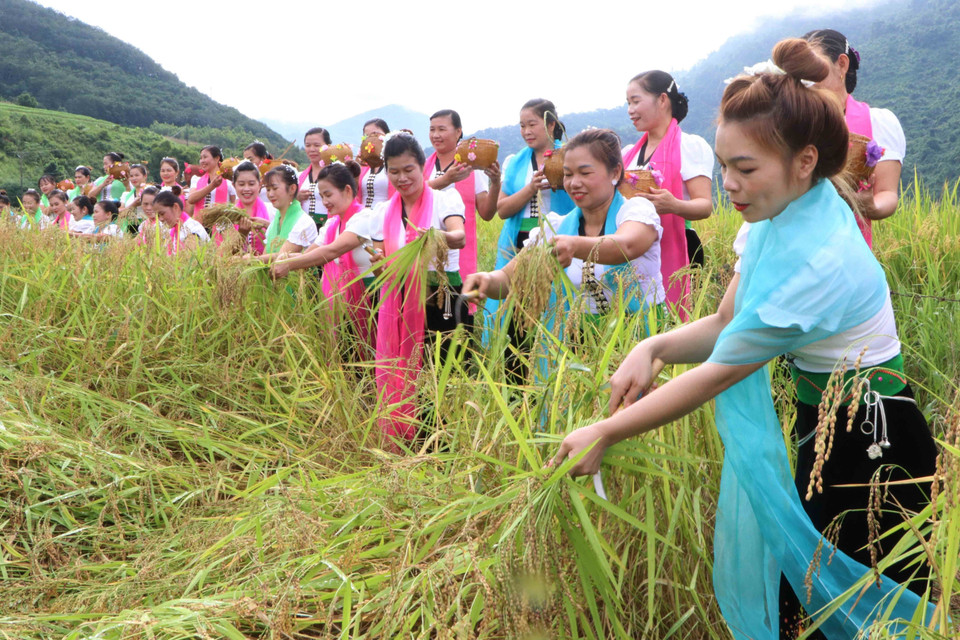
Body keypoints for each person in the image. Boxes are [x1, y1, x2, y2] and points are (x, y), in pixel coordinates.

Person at [549, 39, 937, 639]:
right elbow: (725, 324)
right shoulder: (776, 218)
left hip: (873, 441)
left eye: (746, 169)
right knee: (814, 599)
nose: (728, 184)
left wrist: (605, 429)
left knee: (860, 607)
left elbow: (723, 368)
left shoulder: (818, 259)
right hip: (824, 421)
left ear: (805, 160)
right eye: (726, 166)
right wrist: (652, 347)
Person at [465, 128, 664, 345]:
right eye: (568, 174)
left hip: (640, 340)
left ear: (615, 173)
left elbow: (627, 246)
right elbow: (509, 278)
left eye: (585, 173)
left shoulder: (636, 211)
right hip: (580, 343)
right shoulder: (557, 227)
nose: (574, 183)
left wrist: (574, 245)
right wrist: (486, 280)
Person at [370, 132, 467, 445]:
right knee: (406, 372)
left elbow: (459, 236)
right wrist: (380, 259)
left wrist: (431, 236)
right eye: (394, 171)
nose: (402, 178)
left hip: (442, 298)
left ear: (422, 167)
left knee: (444, 376)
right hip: (397, 301)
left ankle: (447, 445)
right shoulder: (382, 212)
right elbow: (379, 256)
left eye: (409, 170)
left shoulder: (445, 198)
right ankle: (406, 441)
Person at [485, 98, 575, 379]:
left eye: (532, 124)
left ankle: (551, 375)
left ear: (550, 125)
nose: (526, 131)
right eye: (522, 125)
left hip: (557, 240)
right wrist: (531, 187)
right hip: (519, 242)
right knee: (515, 312)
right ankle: (516, 380)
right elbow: (502, 209)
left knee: (552, 308)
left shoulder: (569, 156)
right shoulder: (516, 162)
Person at [803, 29, 905, 249]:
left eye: (813, 68)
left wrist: (870, 206)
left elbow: (887, 193)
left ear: (841, 64)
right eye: (800, 71)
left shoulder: (877, 121)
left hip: (849, 255)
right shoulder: (790, 121)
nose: (805, 79)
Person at [623, 71, 713, 317]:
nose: (630, 110)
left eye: (636, 101)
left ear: (662, 100)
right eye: (628, 103)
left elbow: (704, 206)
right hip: (634, 249)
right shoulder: (628, 154)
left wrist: (673, 204)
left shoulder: (689, 146)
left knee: (670, 324)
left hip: (678, 245)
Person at [271, 162, 378, 345]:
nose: (325, 202)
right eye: (321, 197)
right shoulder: (331, 225)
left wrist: (288, 265)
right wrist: (263, 261)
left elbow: (332, 251)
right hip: (342, 303)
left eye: (328, 195)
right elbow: (308, 255)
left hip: (370, 300)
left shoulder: (364, 218)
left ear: (347, 190)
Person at [425, 109, 501, 294]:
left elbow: (486, 213)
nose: (436, 135)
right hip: (424, 250)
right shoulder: (423, 166)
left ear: (458, 132)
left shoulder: (472, 166)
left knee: (458, 311)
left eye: (442, 129)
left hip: (458, 250)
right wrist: (444, 181)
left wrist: (496, 184)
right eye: (432, 129)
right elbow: (411, 198)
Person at [256, 164, 318, 261]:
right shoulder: (275, 222)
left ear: (292, 188)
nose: (270, 194)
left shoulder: (303, 223)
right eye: (268, 189)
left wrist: (251, 260)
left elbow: (282, 258)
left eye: (275, 188)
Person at [231, 161, 274, 254]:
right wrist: (242, 234)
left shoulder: (273, 211)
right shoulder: (227, 217)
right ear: (234, 185)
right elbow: (225, 255)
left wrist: (269, 226)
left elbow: (282, 243)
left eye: (251, 184)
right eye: (241, 184)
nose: (246, 189)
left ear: (260, 184)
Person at [186, 145, 237, 219]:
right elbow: (191, 199)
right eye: (201, 158)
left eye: (205, 157)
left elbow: (234, 206)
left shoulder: (229, 182)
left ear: (217, 158)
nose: (202, 161)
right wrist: (212, 186)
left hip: (221, 226)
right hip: (200, 227)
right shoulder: (196, 180)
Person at [154, 190, 210, 254]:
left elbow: (189, 260)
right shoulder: (172, 230)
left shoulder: (192, 230)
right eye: (158, 216)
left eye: (162, 213)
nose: (160, 219)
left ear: (175, 207)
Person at [298, 127, 333, 228]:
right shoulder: (300, 176)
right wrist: (296, 198)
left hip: (328, 226)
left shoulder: (335, 173)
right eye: (308, 145)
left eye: (317, 145)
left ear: (328, 146)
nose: (312, 149)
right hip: (304, 227)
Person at [358, 119, 393, 209]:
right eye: (367, 136)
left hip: (385, 215)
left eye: (375, 134)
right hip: (363, 216)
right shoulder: (363, 166)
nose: (371, 139)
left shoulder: (393, 164)